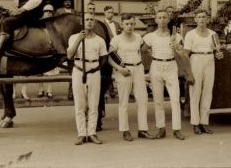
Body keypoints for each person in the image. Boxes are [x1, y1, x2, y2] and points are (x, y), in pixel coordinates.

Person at [142, 10, 194, 140]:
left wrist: (176, 50)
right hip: (156, 67)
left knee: (175, 99)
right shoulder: (150, 36)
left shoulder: (175, 36)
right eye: (159, 17)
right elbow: (142, 50)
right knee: (158, 100)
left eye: (165, 17)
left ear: (169, 19)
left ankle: (176, 129)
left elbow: (181, 54)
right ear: (156, 20)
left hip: (171, 67)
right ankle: (161, 129)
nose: (162, 20)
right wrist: (153, 55)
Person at [108, 13, 154, 141]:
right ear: (122, 25)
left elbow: (144, 51)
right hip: (124, 70)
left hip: (138, 69)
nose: (129, 26)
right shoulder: (116, 40)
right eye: (127, 24)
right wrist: (120, 69)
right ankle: (125, 130)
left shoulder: (138, 37)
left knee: (143, 100)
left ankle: (143, 130)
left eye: (132, 24)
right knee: (124, 103)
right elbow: (110, 58)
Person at [67, 12, 108, 145]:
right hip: (79, 70)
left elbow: (104, 58)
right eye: (86, 20)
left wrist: (95, 69)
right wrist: (79, 39)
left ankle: (92, 133)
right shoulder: (74, 37)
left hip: (94, 71)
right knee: (80, 104)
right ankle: (81, 134)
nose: (89, 22)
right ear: (82, 22)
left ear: (94, 22)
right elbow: (69, 55)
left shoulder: (99, 40)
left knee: (93, 104)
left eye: (91, 20)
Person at [183, 10, 219, 135]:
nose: (202, 19)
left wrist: (219, 54)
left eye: (204, 17)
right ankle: (195, 124)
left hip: (209, 61)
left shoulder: (213, 34)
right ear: (195, 19)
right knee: (195, 94)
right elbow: (185, 54)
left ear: (208, 19)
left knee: (207, 93)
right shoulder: (190, 34)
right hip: (196, 61)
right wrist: (189, 72)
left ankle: (204, 123)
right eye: (199, 17)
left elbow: (217, 51)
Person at [37, 4, 57, 99]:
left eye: (50, 12)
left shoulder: (54, 23)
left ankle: (49, 90)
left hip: (50, 49)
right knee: (40, 71)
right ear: (43, 12)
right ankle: (41, 89)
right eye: (47, 11)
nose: (48, 13)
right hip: (40, 48)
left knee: (50, 71)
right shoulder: (39, 22)